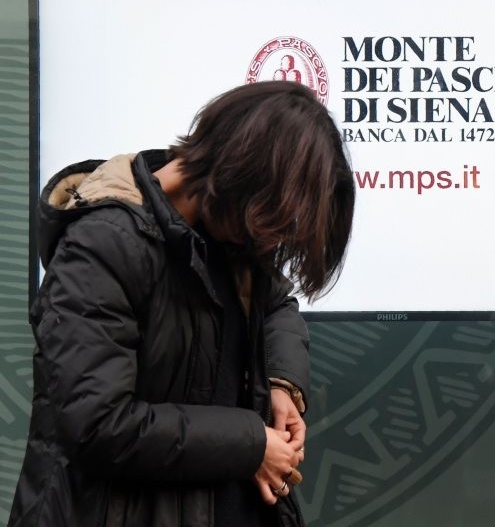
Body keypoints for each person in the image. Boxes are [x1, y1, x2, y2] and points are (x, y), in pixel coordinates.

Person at [9, 80, 355, 527]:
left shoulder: (234, 234)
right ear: (241, 175)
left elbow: (277, 303)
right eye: (273, 223)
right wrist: (252, 446)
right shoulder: (101, 246)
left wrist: (284, 383)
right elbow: (99, 425)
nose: (272, 242)